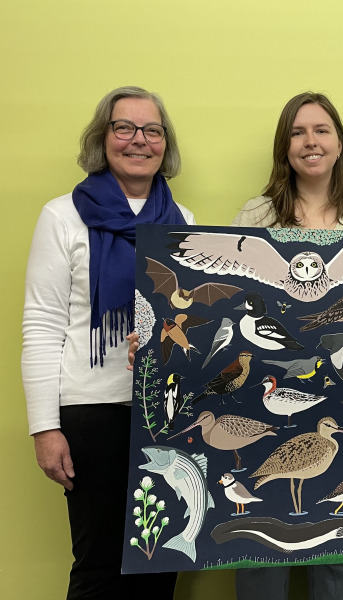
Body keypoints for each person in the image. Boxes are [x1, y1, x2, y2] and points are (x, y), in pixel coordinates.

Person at [22, 86, 195, 599]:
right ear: (103, 138)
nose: (139, 140)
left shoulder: (181, 220)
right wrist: (44, 428)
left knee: (161, 563)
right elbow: (42, 324)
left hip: (164, 414)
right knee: (98, 566)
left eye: (153, 130)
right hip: (90, 413)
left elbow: (190, 318)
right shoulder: (63, 217)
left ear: (166, 143)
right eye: (125, 128)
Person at [229, 91, 343, 600]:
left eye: (321, 130)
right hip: (267, 392)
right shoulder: (254, 216)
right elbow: (234, 307)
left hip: (342, 395)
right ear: (285, 147)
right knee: (261, 554)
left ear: (339, 143)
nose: (310, 141)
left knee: (339, 551)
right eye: (298, 132)